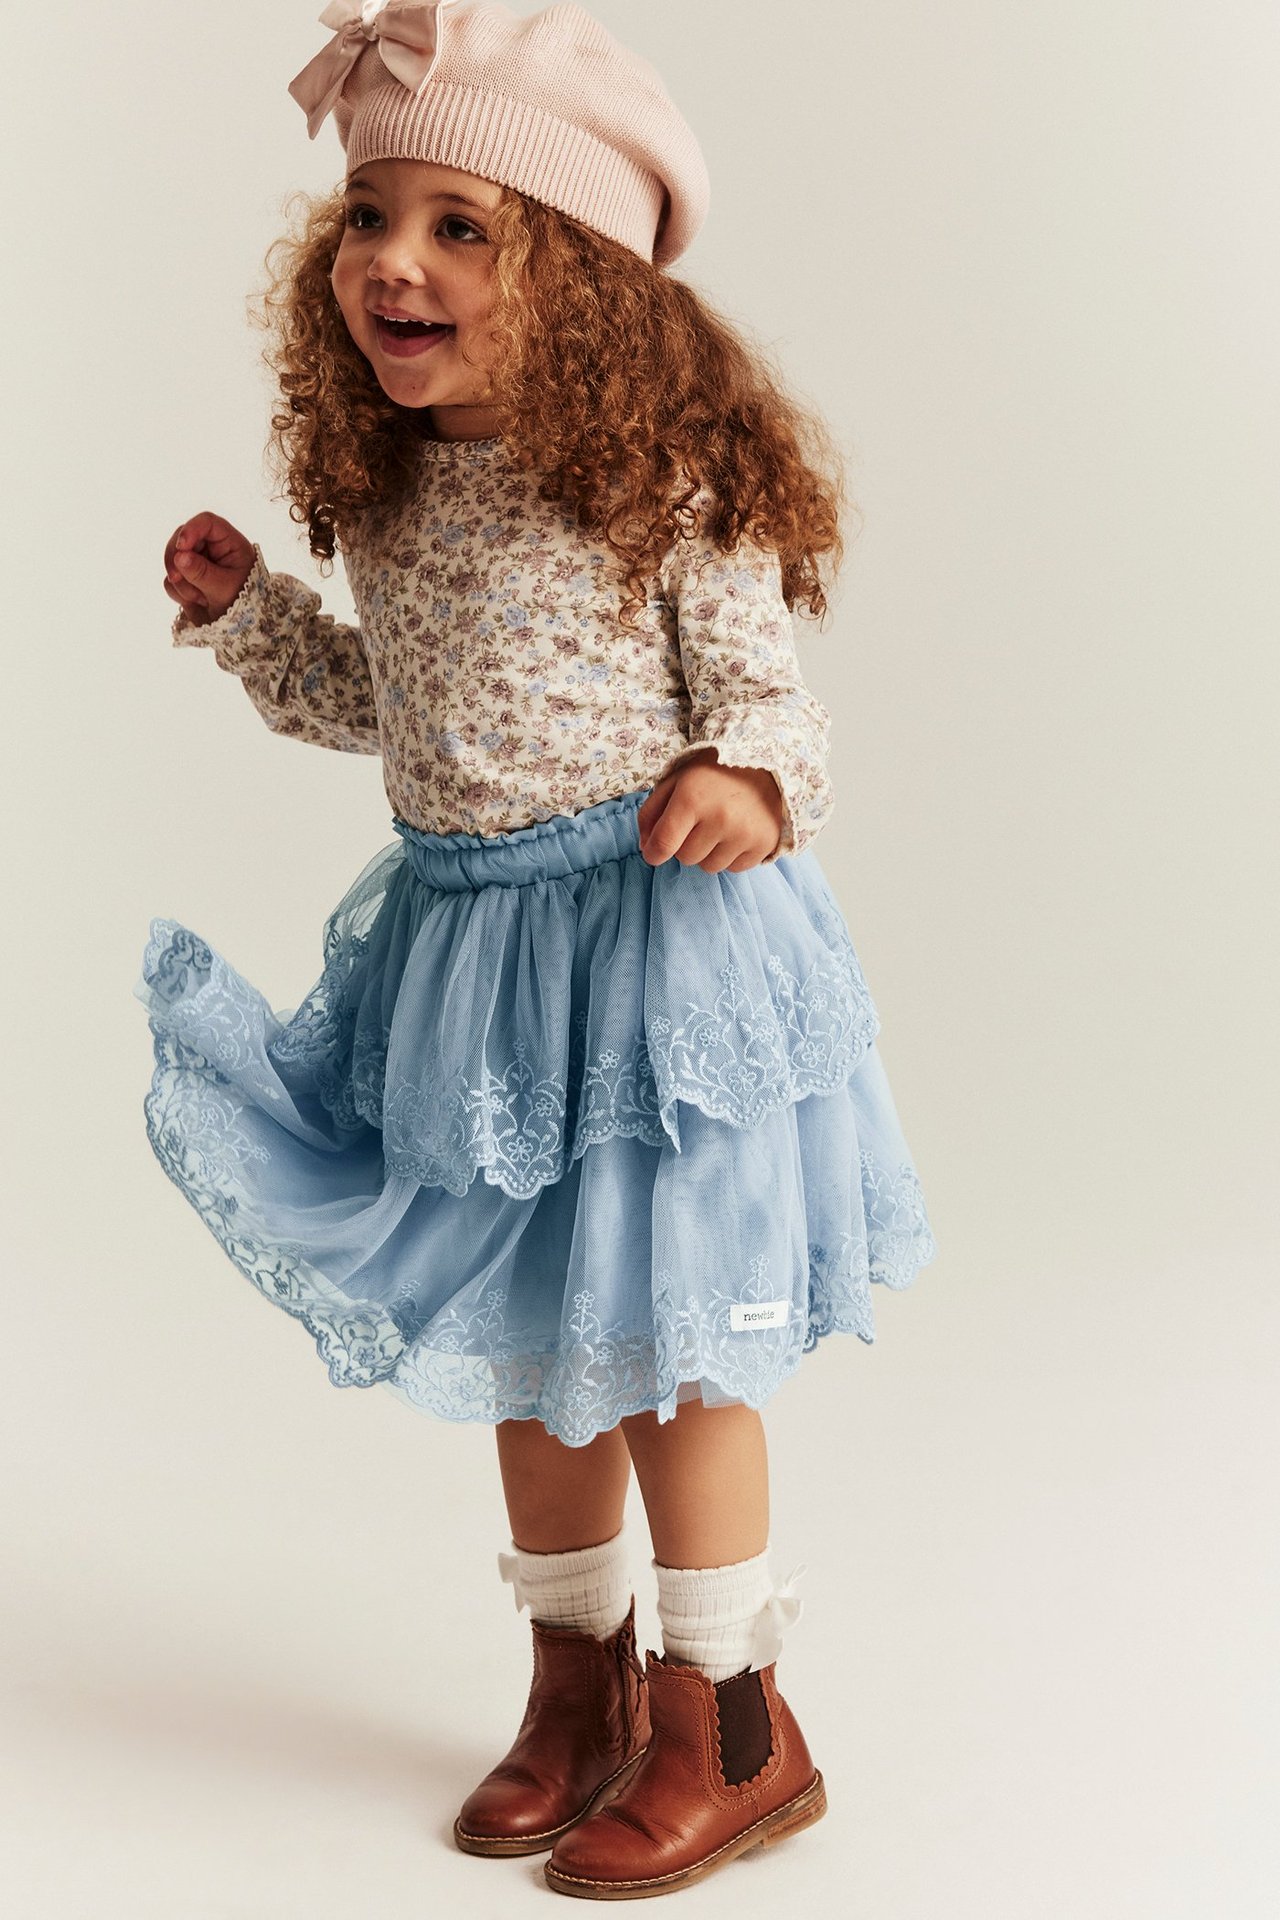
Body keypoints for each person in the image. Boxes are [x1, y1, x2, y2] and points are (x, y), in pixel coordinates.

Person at [136, 0, 937, 1897]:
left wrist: (749, 780)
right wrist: (256, 618)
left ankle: (730, 1718)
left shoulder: (661, 483)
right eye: (368, 217)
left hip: (653, 961)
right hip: (473, 963)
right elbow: (386, 709)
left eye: (461, 225)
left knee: (667, 1352)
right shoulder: (401, 490)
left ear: (576, 275)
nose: (391, 261)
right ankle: (575, 1685)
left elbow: (774, 698)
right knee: (526, 1347)